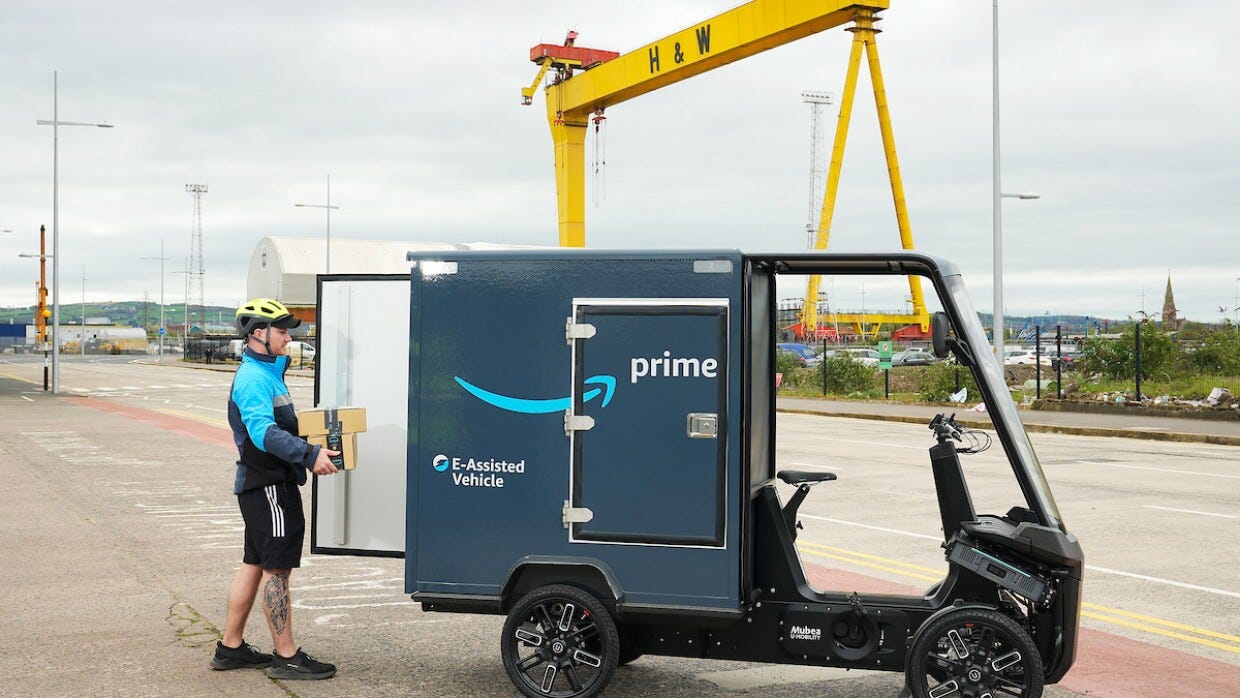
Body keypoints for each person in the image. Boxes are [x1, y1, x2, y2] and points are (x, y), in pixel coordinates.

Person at [210, 298, 341, 680]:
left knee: (254, 564)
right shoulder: (253, 379)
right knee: (277, 569)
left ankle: (230, 648)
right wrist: (308, 454)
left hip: (260, 485)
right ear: (258, 334)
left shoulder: (268, 372)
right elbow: (264, 433)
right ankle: (286, 655)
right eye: (282, 331)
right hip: (269, 487)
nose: (288, 338)